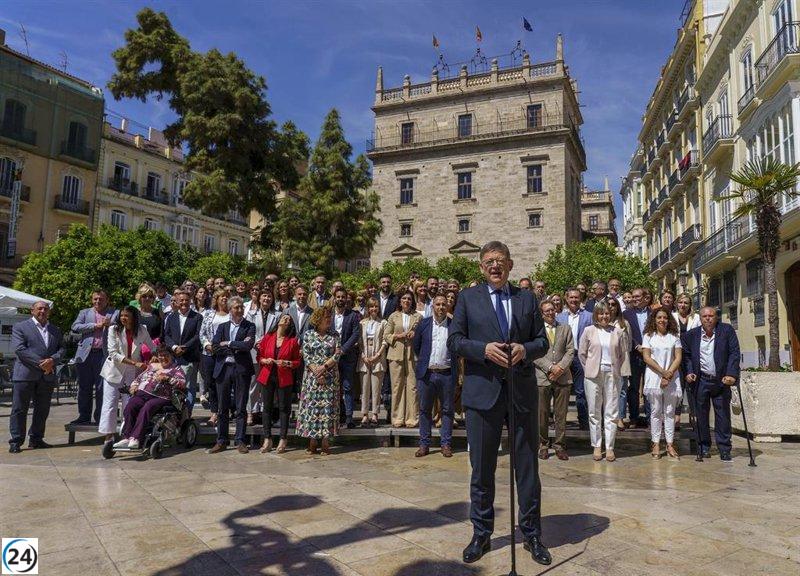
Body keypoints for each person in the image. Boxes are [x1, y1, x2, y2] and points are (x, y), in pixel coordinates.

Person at [448, 241, 551, 566]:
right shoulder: (467, 298)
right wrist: (483, 350)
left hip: (520, 393)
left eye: (501, 261)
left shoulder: (526, 298)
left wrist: (525, 349)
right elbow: (455, 340)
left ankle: (532, 533)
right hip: (482, 395)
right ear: (481, 267)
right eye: (489, 261)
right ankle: (481, 533)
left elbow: (542, 341)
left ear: (510, 264)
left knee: (527, 468)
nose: (495, 266)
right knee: (481, 469)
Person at [681, 306, 740, 461]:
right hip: (701, 381)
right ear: (700, 319)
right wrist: (689, 372)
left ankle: (724, 448)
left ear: (716, 317)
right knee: (701, 415)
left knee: (723, 416)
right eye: (705, 316)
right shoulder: (691, 335)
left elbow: (734, 353)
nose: (708, 318)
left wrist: (731, 374)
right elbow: (686, 356)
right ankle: (703, 446)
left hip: (721, 380)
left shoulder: (726, 331)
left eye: (711, 316)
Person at [8, 301, 64, 453]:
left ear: (49, 312)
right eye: (39, 308)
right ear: (32, 311)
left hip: (46, 376)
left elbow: (61, 348)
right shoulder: (21, 327)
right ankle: (16, 441)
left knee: (42, 409)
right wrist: (42, 364)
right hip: (25, 374)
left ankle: (36, 439)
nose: (43, 311)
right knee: (19, 409)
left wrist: (53, 360)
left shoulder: (55, 330)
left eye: (46, 309)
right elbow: (20, 350)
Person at [98, 306, 154, 446]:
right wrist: (136, 363)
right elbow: (113, 353)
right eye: (122, 315)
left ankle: (127, 434)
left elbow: (152, 347)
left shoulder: (142, 330)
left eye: (126, 316)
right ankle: (109, 435)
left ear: (134, 317)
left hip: (131, 372)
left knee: (129, 403)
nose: (123, 318)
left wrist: (155, 356)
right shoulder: (113, 330)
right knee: (110, 403)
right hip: (113, 370)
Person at [578, 301, 626, 462]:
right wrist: (589, 368)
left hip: (612, 374)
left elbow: (622, 355)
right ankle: (597, 445)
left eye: (606, 313)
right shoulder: (588, 331)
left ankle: (610, 447)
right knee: (594, 411)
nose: (604, 316)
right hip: (593, 375)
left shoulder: (618, 332)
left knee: (612, 411)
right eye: (601, 313)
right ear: (596, 315)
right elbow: (582, 353)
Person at [113, 345, 186, 450]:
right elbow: (139, 378)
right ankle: (126, 437)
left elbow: (182, 383)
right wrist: (134, 386)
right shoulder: (152, 366)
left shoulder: (176, 369)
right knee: (131, 406)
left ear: (171, 356)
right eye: (161, 356)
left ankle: (136, 438)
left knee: (147, 407)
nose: (163, 358)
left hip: (161, 396)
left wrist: (167, 378)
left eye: (166, 355)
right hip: (143, 393)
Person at [208, 297, 256, 454]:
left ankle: (240, 439)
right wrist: (235, 346)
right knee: (222, 407)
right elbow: (215, 347)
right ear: (230, 309)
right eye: (236, 307)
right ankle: (221, 440)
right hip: (224, 369)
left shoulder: (249, 326)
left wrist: (228, 343)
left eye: (241, 307)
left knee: (241, 406)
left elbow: (247, 345)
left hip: (241, 369)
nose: (240, 310)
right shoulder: (222, 327)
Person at [413, 294, 457, 457]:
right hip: (427, 374)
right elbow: (416, 346)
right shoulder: (423, 324)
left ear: (448, 307)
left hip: (447, 374)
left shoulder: (454, 325)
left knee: (447, 410)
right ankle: (424, 444)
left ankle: (445, 444)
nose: (440, 307)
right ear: (433, 307)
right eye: (437, 304)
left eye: (443, 304)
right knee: (424, 410)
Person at [297, 306, 341, 454]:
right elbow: (306, 354)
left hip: (329, 377)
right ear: (318, 318)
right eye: (326, 317)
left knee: (327, 409)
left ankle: (326, 442)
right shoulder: (309, 334)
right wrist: (316, 370)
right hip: (312, 378)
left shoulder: (334, 335)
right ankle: (312, 441)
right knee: (312, 409)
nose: (329, 319)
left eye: (330, 316)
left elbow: (337, 354)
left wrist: (324, 367)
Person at [534, 298, 574, 461]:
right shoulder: (536, 331)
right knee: (541, 414)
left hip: (563, 377)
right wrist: (550, 368)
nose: (551, 312)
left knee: (561, 414)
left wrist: (560, 368)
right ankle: (543, 444)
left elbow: (570, 351)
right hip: (543, 377)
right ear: (541, 314)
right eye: (547, 310)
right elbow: (534, 353)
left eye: (552, 309)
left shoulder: (565, 328)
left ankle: (560, 445)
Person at [642, 307, 683, 459]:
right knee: (655, 411)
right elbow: (647, 357)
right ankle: (656, 443)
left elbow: (678, 357)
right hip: (654, 377)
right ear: (654, 319)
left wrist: (669, 374)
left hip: (672, 378)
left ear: (669, 319)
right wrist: (662, 372)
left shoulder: (674, 336)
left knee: (670, 412)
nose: (662, 320)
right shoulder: (648, 336)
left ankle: (670, 443)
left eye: (665, 317)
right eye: (659, 317)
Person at [70, 290, 116, 425]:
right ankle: (83, 416)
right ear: (92, 300)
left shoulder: (114, 313)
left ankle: (100, 417)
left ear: (107, 300)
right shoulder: (84, 313)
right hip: (85, 355)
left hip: (103, 355)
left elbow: (121, 326)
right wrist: (96, 325)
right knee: (84, 387)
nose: (98, 301)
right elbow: (75, 326)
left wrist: (111, 324)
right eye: (95, 299)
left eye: (101, 299)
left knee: (102, 388)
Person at [256, 314, 301, 453]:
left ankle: (283, 438)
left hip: (284, 377)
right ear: (279, 321)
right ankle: (267, 439)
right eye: (284, 317)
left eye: (289, 319)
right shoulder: (268, 337)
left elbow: (297, 362)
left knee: (284, 408)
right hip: (267, 376)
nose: (286, 319)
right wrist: (264, 361)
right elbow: (259, 356)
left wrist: (287, 363)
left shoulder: (292, 341)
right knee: (267, 408)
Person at [556, 288, 592, 430]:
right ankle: (560, 423)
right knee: (561, 390)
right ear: (566, 298)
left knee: (581, 390)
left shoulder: (589, 316)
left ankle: (583, 421)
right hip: (563, 357)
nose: (574, 300)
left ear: (580, 298)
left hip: (580, 356)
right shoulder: (559, 317)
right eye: (571, 297)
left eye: (576, 297)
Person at [385, 290, 422, 428]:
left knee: (412, 386)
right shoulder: (393, 316)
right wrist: (398, 336)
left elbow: (422, 335)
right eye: (404, 299)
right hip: (396, 354)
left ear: (412, 301)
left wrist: (415, 333)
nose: (406, 301)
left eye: (409, 299)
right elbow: (386, 336)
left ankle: (412, 418)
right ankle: (397, 418)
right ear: (400, 301)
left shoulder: (418, 317)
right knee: (397, 386)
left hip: (412, 355)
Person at [163, 291, 202, 410]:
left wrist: (184, 347)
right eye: (181, 300)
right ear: (177, 302)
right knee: (174, 385)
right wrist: (174, 347)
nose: (184, 302)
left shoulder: (197, 317)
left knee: (189, 387)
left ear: (190, 301)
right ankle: (175, 412)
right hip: (174, 356)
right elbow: (166, 335)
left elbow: (198, 335)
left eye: (186, 300)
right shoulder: (171, 316)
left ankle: (187, 413)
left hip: (190, 356)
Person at [246, 289, 279, 426]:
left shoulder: (277, 315)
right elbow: (248, 332)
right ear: (259, 298)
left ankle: (266, 412)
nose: (266, 298)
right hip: (255, 352)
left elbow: (277, 334)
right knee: (253, 385)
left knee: (268, 385)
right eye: (264, 295)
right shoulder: (250, 314)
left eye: (269, 296)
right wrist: (256, 342)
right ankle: (251, 413)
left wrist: (266, 343)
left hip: (270, 355)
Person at [332, 287, 361, 428]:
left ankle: (349, 417)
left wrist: (343, 349)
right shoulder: (329, 314)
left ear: (346, 299)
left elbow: (356, 334)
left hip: (347, 356)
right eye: (338, 297)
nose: (340, 299)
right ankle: (336, 415)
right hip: (330, 357)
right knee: (333, 387)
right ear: (334, 298)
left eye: (343, 297)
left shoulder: (353, 315)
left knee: (348, 386)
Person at [622, 288, 651, 427]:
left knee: (650, 386)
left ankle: (650, 417)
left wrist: (648, 346)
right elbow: (626, 333)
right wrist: (636, 345)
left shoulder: (654, 312)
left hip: (652, 355)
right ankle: (634, 416)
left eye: (637, 296)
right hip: (634, 355)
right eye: (632, 296)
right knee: (633, 387)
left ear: (645, 297)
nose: (634, 299)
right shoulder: (626, 314)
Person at [199, 290, 229, 425]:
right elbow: (202, 333)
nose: (225, 299)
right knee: (211, 384)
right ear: (216, 299)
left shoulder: (232, 315)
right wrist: (206, 345)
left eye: (227, 297)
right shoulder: (209, 314)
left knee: (225, 384)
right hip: (210, 354)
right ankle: (214, 412)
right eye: (222, 296)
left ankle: (225, 411)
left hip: (227, 354)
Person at [357, 298, 388, 427]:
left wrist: (377, 355)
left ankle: (375, 414)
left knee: (376, 387)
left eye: (376, 307)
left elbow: (385, 341)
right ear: (368, 309)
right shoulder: (362, 323)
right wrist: (363, 355)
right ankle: (365, 414)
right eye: (371, 307)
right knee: (364, 387)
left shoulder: (383, 323)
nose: (373, 309)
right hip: (364, 354)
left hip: (378, 354)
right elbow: (359, 341)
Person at [605, 297, 632, 432]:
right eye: (608, 304)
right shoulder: (601, 322)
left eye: (613, 304)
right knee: (607, 391)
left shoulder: (624, 323)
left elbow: (630, 344)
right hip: (606, 360)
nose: (611, 307)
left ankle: (620, 418)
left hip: (622, 360)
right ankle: (608, 417)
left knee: (621, 391)